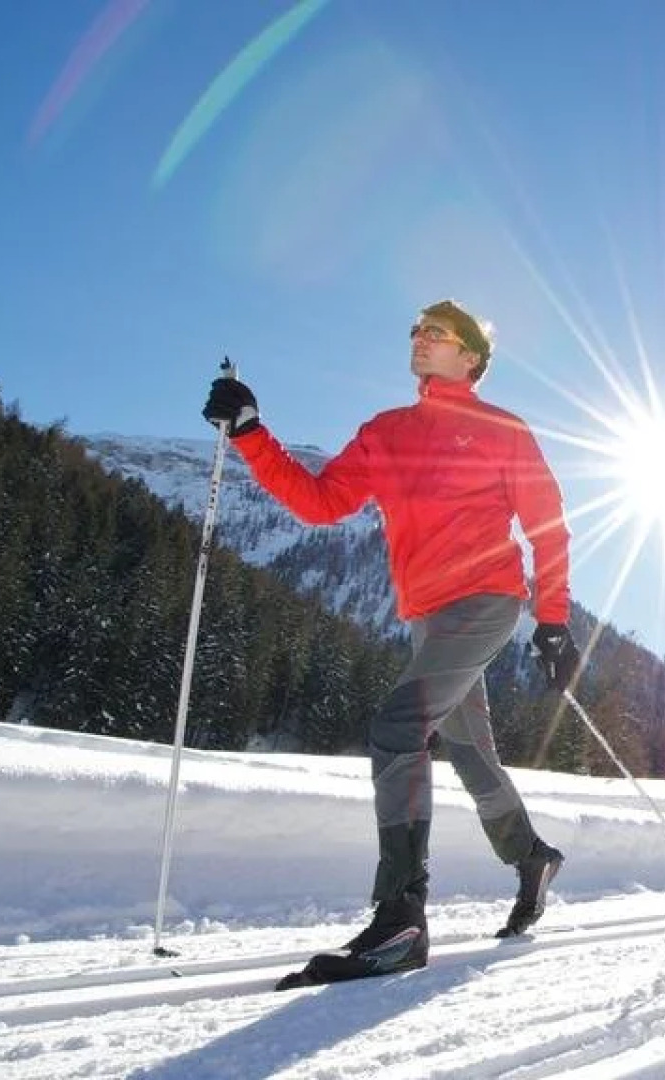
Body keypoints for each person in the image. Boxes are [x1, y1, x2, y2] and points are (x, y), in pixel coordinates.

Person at [202, 299, 583, 984]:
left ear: (471, 358)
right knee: (468, 751)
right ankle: (531, 857)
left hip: (487, 600)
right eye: (416, 330)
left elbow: (548, 528)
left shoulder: (502, 430)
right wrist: (253, 433)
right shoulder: (387, 431)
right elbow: (321, 502)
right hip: (428, 618)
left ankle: (402, 918)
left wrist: (553, 621)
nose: (420, 340)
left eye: (437, 334)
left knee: (400, 724)